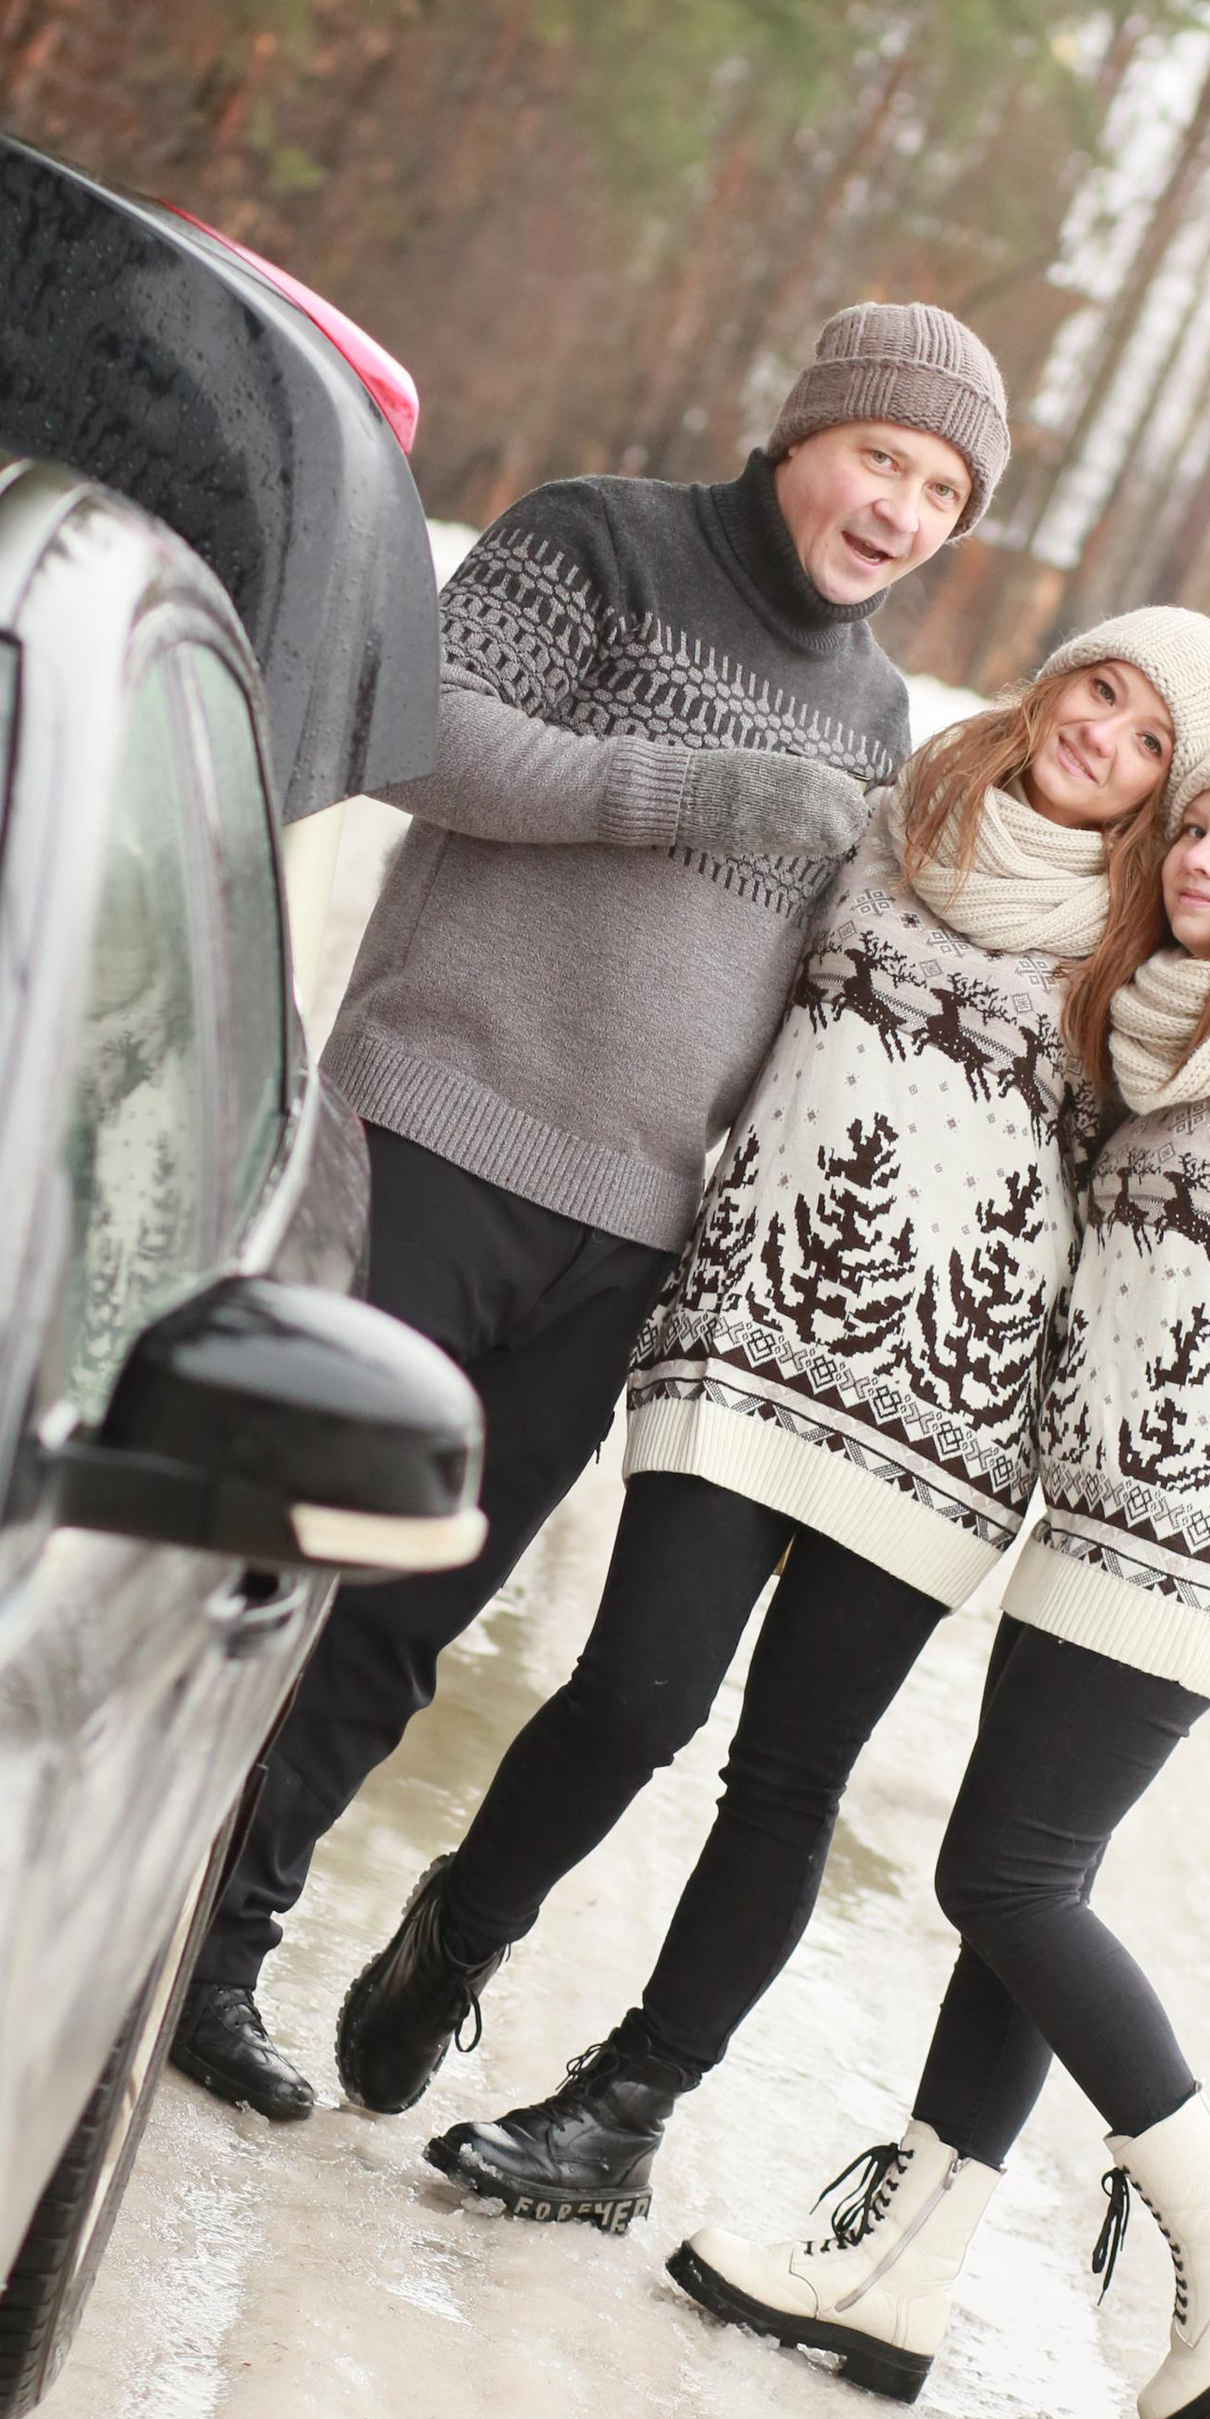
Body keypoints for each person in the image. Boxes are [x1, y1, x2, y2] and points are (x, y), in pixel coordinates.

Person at [173, 304, 1008, 2122]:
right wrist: (681, 787)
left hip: (620, 1228)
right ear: (808, 431)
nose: (899, 508)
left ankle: (223, 1942)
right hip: (428, 1128)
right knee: (280, 1550)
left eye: (941, 491)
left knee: (408, 1612)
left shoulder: (878, 714)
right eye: (886, 456)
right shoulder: (597, 541)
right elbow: (423, 735)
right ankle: (129, 1907)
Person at [337, 610, 1210, 2228]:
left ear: (1162, 799)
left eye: (1146, 748)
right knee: (634, 1702)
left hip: (947, 1434)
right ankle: (463, 1927)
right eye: (1100, 693)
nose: (1102, 741)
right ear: (1059, 678)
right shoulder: (888, 825)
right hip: (751, 1338)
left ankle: (623, 2116)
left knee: (787, 1781)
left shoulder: (1147, 971)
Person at [669, 722, 1210, 2419]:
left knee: (999, 1876)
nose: (1204, 866)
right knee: (1028, 1880)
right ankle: (900, 2276)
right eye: (1199, 833)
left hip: (1191, 1548)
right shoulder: (1181, 1043)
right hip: (1093, 1533)